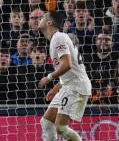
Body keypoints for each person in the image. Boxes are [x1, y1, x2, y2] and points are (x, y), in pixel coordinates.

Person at [37, 11, 91, 141]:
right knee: (46, 121)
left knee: (60, 127)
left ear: (49, 22)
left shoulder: (58, 37)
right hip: (68, 85)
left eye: (43, 17)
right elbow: (69, 71)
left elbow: (67, 64)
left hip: (77, 87)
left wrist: (48, 78)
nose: (40, 19)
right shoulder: (56, 39)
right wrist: (55, 89)